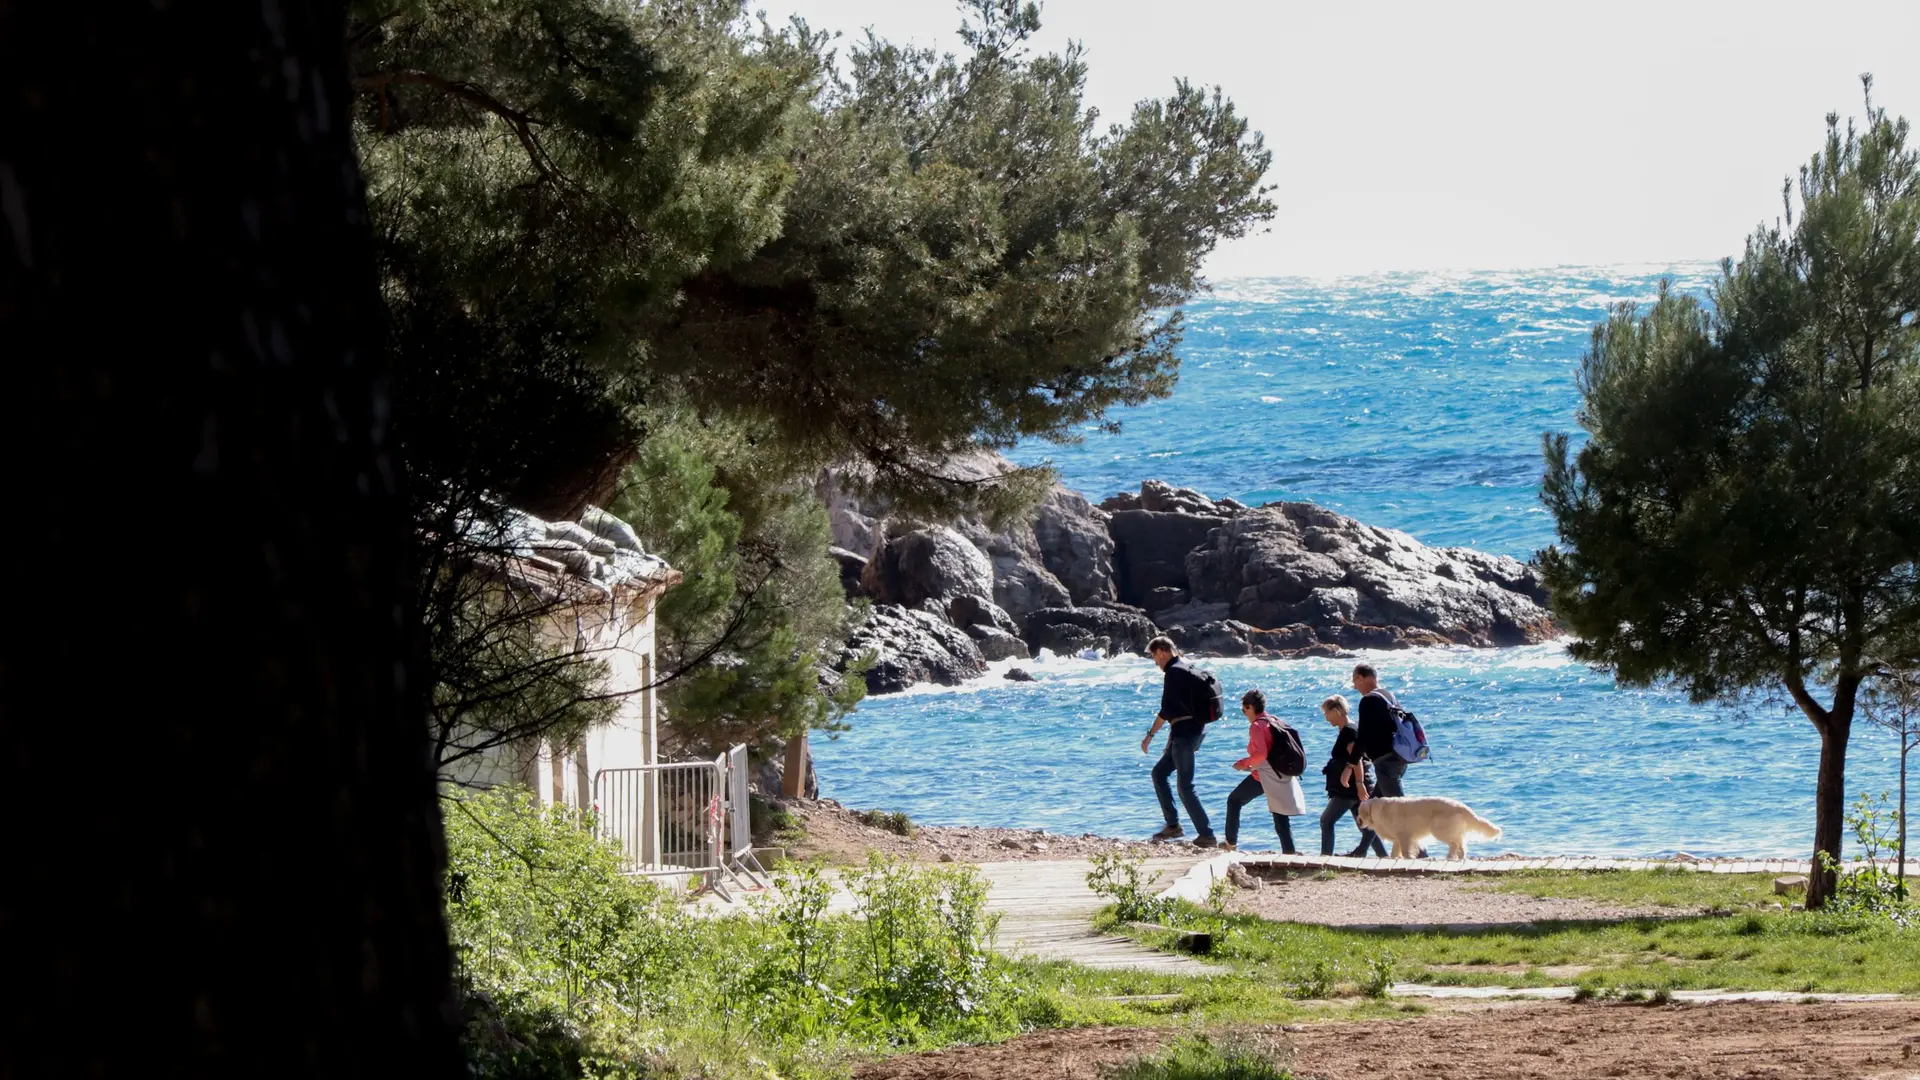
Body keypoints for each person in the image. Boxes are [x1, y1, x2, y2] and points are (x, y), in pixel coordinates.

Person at [1140, 636, 1217, 848]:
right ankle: (1173, 825)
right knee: (1159, 774)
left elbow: (1166, 710)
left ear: (1163, 652)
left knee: (1185, 786)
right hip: (1192, 732)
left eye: (1154, 657)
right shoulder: (1187, 667)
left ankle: (1207, 835)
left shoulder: (1173, 672)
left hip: (1185, 735)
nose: (1155, 662)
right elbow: (1179, 710)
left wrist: (1149, 736)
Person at [1352, 662, 1425, 856]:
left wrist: (1351, 762)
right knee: (1372, 806)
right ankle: (1361, 850)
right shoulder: (1388, 696)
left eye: (1355, 682)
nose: (1355, 687)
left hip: (1385, 762)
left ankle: (1421, 854)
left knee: (1402, 809)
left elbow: (1363, 735)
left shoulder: (1368, 701)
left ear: (1361, 677)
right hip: (1398, 758)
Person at [1221, 690, 1304, 853]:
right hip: (1280, 773)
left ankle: (1230, 844)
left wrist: (1242, 763)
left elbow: (1261, 754)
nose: (1244, 713)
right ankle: (1289, 852)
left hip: (1264, 776)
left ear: (1250, 707)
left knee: (1234, 800)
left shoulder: (1257, 726)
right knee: (1279, 814)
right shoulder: (1273, 720)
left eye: (1243, 710)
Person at [1318, 694, 1387, 857]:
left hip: (1349, 788)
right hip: (1353, 785)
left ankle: (1325, 858)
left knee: (1326, 821)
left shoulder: (1349, 731)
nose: (1326, 718)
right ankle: (1384, 857)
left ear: (1336, 711)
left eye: (1326, 713)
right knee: (1365, 824)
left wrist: (1359, 783)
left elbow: (1356, 759)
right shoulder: (1349, 729)